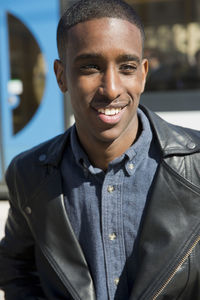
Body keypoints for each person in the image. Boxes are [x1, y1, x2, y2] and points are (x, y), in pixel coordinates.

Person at [1, 0, 200, 299]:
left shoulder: (196, 166)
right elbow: (17, 269)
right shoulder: (28, 175)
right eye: (90, 67)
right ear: (60, 76)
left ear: (143, 74)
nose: (111, 88)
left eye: (127, 67)